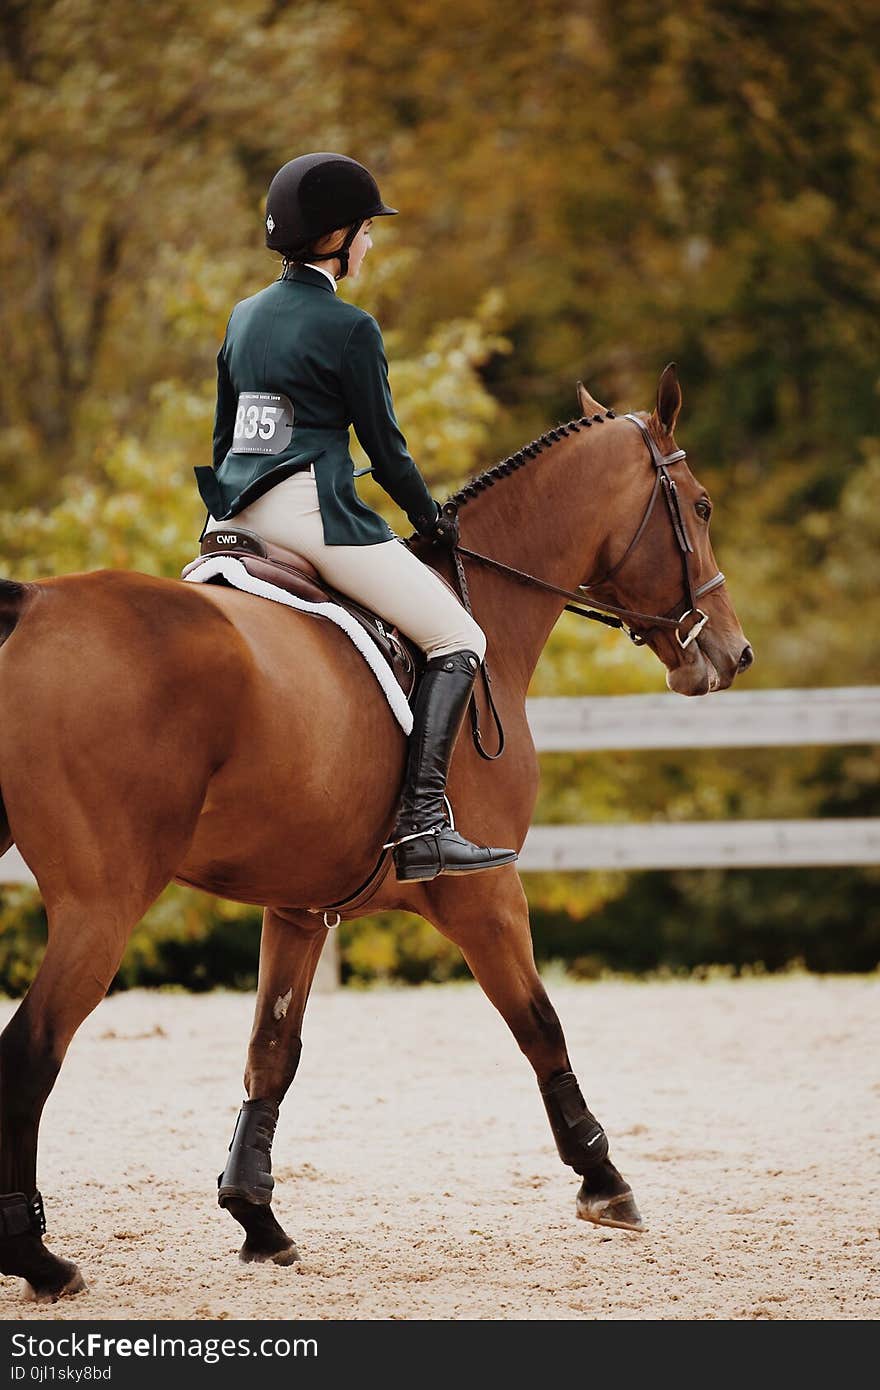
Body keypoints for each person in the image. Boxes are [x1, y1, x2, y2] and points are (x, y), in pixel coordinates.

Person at [194, 152, 516, 883]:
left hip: (234, 518)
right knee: (459, 635)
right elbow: (387, 450)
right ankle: (425, 823)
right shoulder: (350, 327)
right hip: (313, 514)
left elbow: (223, 438)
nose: (369, 245)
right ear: (338, 236)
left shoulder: (242, 318)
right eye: (367, 230)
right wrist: (429, 519)